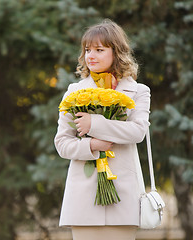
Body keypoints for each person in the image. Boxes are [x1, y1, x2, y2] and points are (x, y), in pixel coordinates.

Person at [54, 19, 150, 240]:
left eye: (99, 49)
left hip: (124, 198)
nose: (91, 55)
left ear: (116, 52)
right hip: (83, 199)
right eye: (87, 50)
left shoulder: (139, 91)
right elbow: (62, 144)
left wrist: (94, 124)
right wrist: (91, 145)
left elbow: (137, 132)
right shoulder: (74, 92)